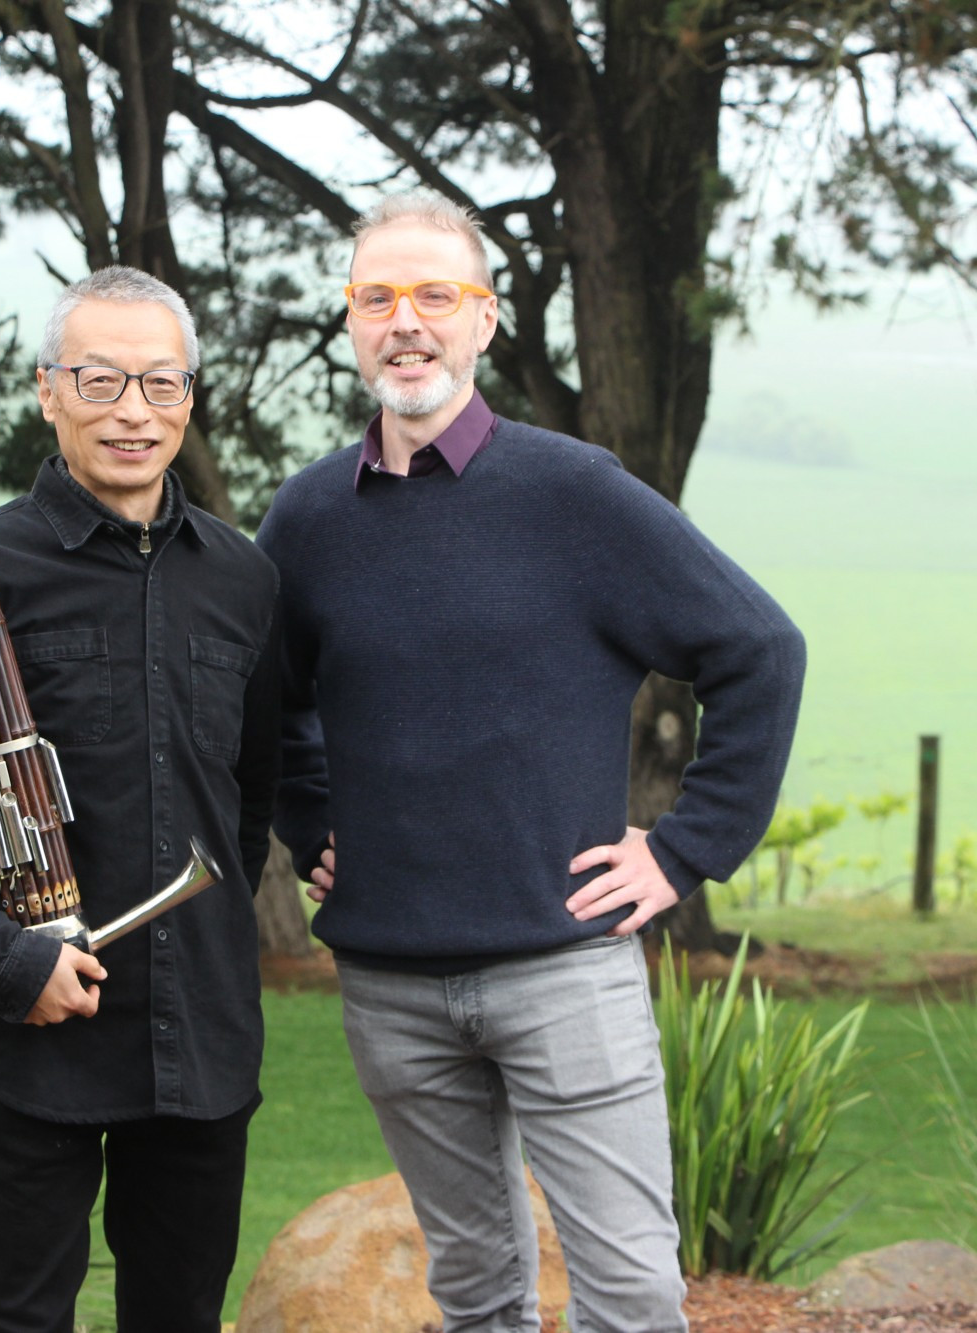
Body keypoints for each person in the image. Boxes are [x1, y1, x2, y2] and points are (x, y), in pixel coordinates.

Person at [255, 193, 807, 1333]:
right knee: (476, 1294)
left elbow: (758, 649)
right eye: (377, 298)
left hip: (565, 967)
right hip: (392, 985)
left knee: (631, 1294)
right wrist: (315, 831)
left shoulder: (573, 493)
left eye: (434, 297)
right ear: (350, 323)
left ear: (484, 321)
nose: (405, 322)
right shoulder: (307, 517)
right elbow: (268, 706)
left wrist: (686, 848)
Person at [0, 265, 279, 1333]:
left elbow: (253, 793)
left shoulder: (242, 577)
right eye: (98, 380)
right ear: (47, 391)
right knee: (18, 1321)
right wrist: (2, 958)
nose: (131, 410)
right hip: (30, 1035)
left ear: (189, 395)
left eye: (159, 383)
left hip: (202, 1042)